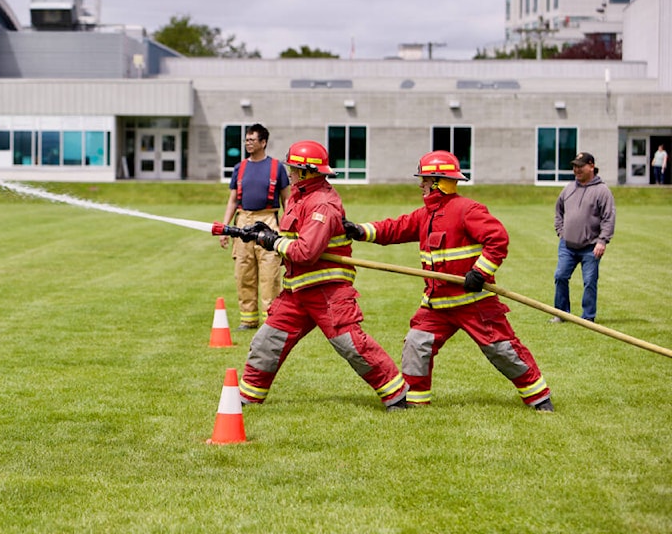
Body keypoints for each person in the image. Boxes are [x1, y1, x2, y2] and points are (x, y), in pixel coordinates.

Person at [345, 151, 553, 412]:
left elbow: (497, 239)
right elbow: (396, 228)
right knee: (416, 344)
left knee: (502, 350)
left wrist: (479, 272)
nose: (420, 184)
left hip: (473, 302)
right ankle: (415, 403)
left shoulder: (468, 210)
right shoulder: (426, 214)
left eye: (424, 179)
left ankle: (539, 398)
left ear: (437, 181)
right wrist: (361, 231)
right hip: (437, 305)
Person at [236, 140, 409, 412]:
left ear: (307, 172)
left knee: (352, 346)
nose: (289, 173)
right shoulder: (299, 196)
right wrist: (266, 234)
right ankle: (247, 399)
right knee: (266, 342)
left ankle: (396, 396)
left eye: (294, 168)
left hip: (327, 292)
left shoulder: (323, 203)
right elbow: (294, 239)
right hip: (296, 293)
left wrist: (273, 242)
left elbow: (306, 253)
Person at [218, 124, 291, 330]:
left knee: (270, 275)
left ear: (263, 142)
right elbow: (232, 201)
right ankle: (248, 320)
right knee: (244, 273)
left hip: (268, 221)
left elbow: (288, 201)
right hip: (243, 221)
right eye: (246, 140)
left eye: (252, 139)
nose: (248, 143)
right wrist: (224, 228)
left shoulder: (277, 168)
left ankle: (271, 320)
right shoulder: (239, 168)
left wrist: (289, 230)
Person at [552, 152, 616, 323]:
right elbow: (559, 211)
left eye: (580, 166)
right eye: (574, 166)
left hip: (591, 246)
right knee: (560, 276)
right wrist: (561, 231)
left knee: (589, 282)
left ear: (591, 166)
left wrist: (602, 241)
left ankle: (588, 317)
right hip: (568, 245)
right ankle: (561, 314)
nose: (576, 170)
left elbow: (608, 218)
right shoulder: (569, 188)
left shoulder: (602, 191)